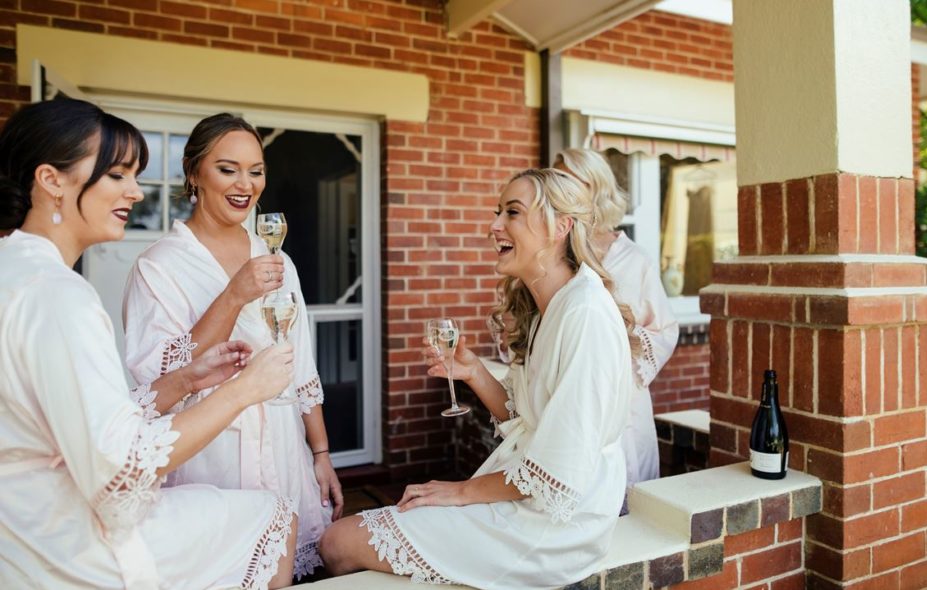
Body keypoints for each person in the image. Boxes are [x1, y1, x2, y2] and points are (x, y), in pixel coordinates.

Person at [0, 98, 298, 589]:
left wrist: (183, 379)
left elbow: (87, 421)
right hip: (61, 541)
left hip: (20, 524)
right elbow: (120, 473)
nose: (136, 193)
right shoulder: (59, 295)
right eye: (116, 175)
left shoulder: (16, 269)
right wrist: (244, 391)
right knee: (273, 518)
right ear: (52, 180)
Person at [319, 168, 636, 589]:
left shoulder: (585, 313)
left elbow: (556, 473)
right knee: (344, 543)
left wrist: (458, 492)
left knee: (339, 543)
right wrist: (473, 371)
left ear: (561, 227)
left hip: (556, 525)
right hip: (529, 499)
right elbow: (525, 417)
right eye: (497, 212)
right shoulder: (549, 308)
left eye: (513, 212)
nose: (494, 226)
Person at [122, 113, 343, 578]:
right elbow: (158, 381)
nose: (246, 184)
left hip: (284, 449)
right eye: (228, 169)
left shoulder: (277, 259)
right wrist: (233, 295)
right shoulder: (158, 266)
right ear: (193, 172)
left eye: (256, 170)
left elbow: (301, 365)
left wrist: (320, 454)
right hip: (209, 453)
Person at [555, 148, 679, 495]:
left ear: (595, 189)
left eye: (566, 179)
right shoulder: (555, 251)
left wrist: (621, 333)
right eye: (554, 178)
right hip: (567, 392)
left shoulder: (635, 260)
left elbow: (665, 330)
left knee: (623, 496)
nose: (556, 188)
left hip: (622, 401)